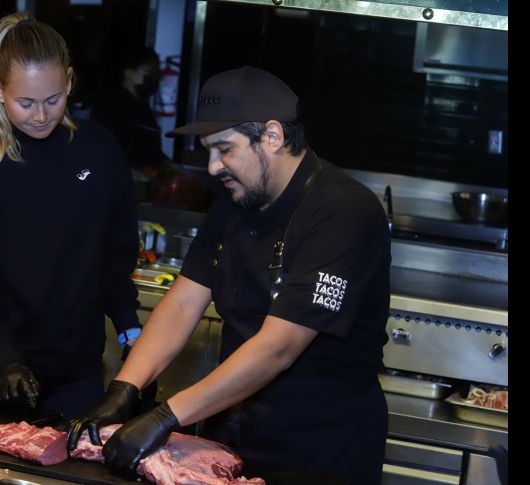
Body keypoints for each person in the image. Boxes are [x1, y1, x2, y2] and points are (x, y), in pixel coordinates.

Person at [66, 66, 391, 485]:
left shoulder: (344, 212)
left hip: (320, 444)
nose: (214, 166)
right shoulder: (236, 200)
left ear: (272, 136)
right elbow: (184, 302)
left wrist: (166, 416)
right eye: (208, 151)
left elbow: (279, 348)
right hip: (234, 426)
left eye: (225, 149)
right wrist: (125, 388)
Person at [0, 12, 143, 419]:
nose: (42, 116)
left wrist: (130, 330)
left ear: (68, 80)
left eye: (53, 100)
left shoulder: (98, 151)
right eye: (25, 102)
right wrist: (4, 361)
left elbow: (114, 258)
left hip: (77, 376)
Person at [90, 46, 170, 172]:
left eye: (156, 74)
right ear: (129, 72)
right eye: (149, 73)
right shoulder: (110, 106)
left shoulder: (143, 108)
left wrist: (168, 166)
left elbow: (151, 150)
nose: (154, 78)